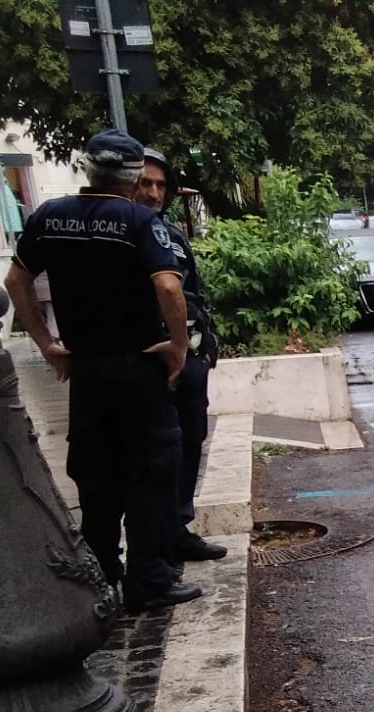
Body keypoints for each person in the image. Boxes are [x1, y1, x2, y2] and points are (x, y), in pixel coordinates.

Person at [2, 128, 201, 614]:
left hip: (87, 372)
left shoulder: (49, 217)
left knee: (96, 476)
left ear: (87, 169)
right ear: (134, 178)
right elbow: (169, 288)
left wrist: (47, 345)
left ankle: (102, 576)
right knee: (152, 471)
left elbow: (15, 280)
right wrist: (177, 345)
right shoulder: (137, 221)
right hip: (138, 368)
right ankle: (148, 579)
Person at [136, 147, 227, 566]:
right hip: (149, 359)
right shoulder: (128, 233)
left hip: (189, 357)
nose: (154, 193)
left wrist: (206, 344)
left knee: (191, 441)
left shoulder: (169, 232)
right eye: (145, 183)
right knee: (156, 454)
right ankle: (154, 545)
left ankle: (178, 527)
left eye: (160, 185)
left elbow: (192, 290)